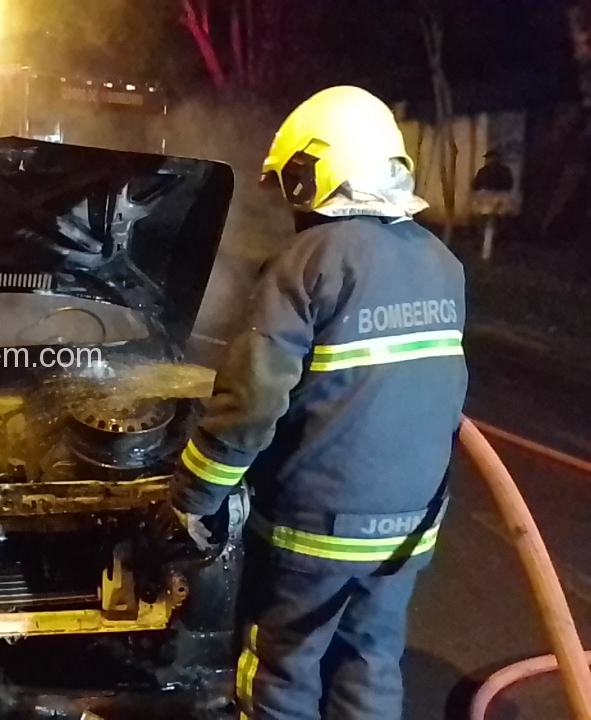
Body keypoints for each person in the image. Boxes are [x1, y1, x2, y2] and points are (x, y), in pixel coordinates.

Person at [171, 86, 468, 720]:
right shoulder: (442, 263)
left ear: (315, 173)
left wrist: (194, 496)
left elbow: (251, 403)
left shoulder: (307, 262)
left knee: (283, 667)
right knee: (371, 658)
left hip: (316, 528)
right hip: (410, 526)